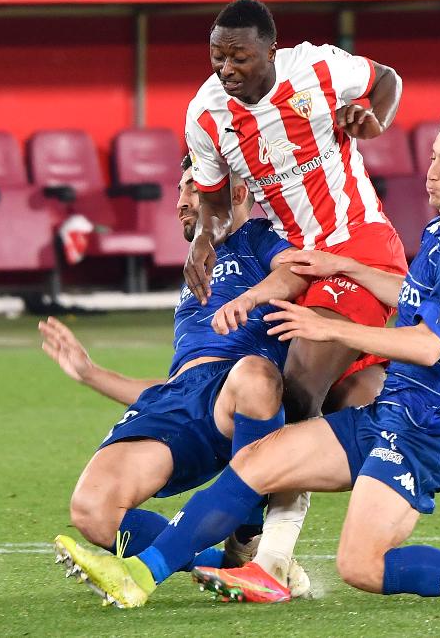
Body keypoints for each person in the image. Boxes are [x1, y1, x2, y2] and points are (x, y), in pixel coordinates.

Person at [52, 93, 440, 608]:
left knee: (362, 568)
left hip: (425, 433)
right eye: (435, 156)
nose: (432, 171)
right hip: (389, 416)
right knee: (256, 459)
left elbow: (428, 345)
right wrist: (349, 268)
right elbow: (414, 299)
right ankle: (142, 574)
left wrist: (332, 329)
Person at [182, 0, 440, 443]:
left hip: (357, 241)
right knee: (348, 397)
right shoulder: (205, 114)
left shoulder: (317, 67)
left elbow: (387, 80)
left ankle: (279, 512)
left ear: (272, 52)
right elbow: (216, 208)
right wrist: (203, 238)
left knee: (296, 391)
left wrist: (374, 121)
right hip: (293, 260)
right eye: (217, 57)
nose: (226, 69)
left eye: (240, 58)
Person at [49, 165, 321, 597]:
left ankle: (249, 532)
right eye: (179, 189)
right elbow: (181, 381)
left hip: (234, 394)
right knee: (92, 512)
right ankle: (228, 561)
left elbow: (298, 272)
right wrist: (90, 373)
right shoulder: (196, 266)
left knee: (254, 375)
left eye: (194, 188)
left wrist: (252, 297)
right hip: (180, 396)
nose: (181, 199)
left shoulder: (256, 237)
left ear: (235, 193)